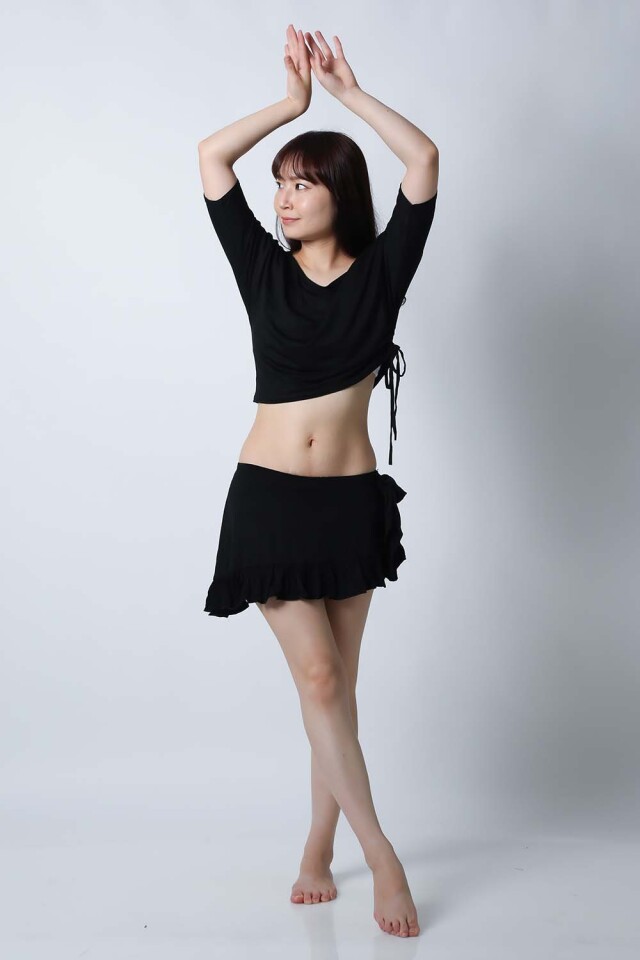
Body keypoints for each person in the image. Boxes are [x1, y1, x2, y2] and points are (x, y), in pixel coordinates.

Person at [198, 24, 438, 939]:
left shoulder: (382, 276)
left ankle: (316, 844)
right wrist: (290, 104)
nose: (284, 197)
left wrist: (345, 95)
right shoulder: (262, 267)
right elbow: (211, 156)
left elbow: (424, 160)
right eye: (282, 184)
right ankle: (382, 855)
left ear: (341, 193)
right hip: (269, 498)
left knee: (331, 689)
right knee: (320, 676)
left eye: (303, 182)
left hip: (348, 505)